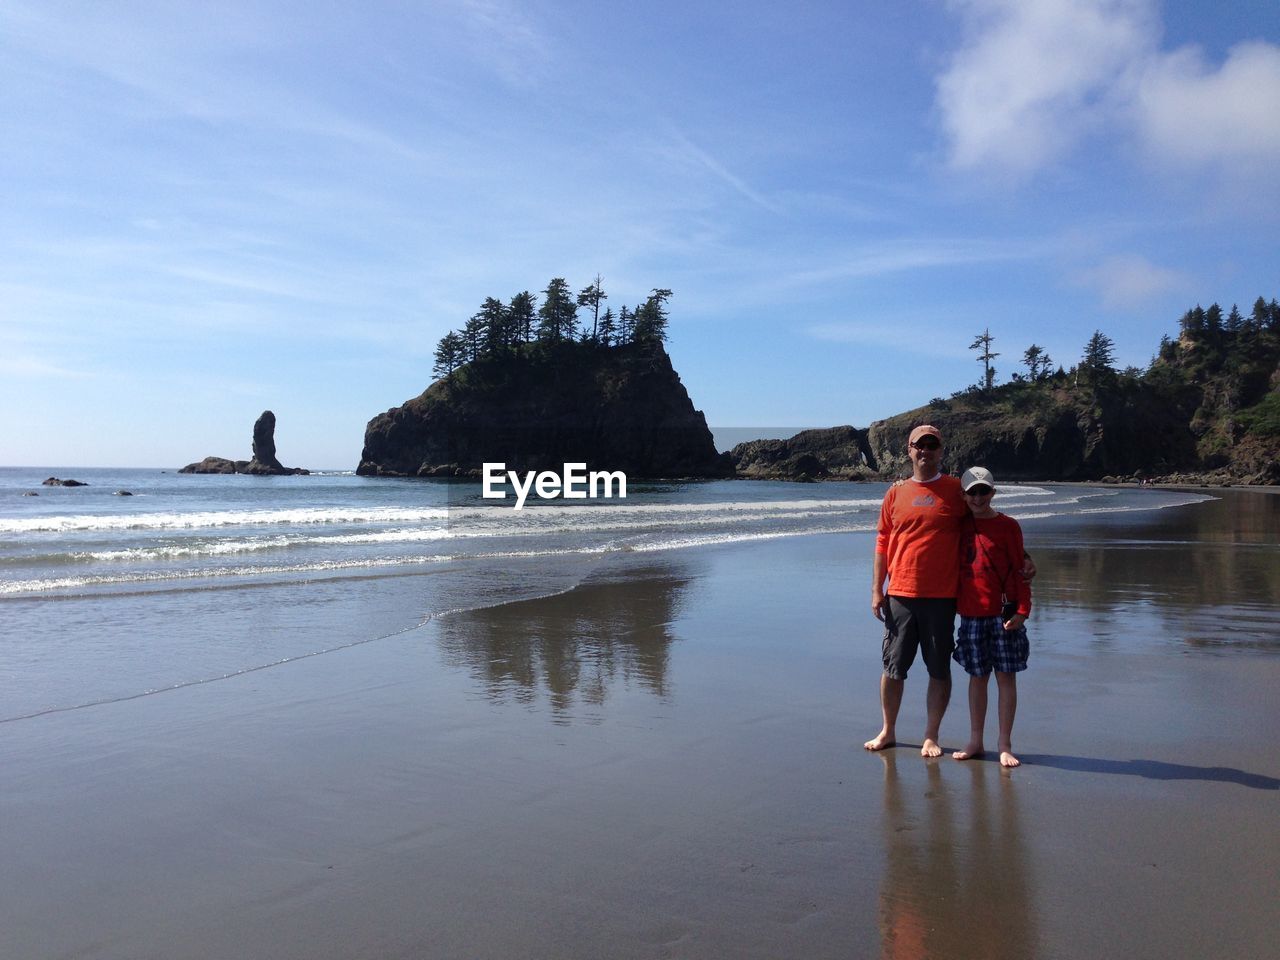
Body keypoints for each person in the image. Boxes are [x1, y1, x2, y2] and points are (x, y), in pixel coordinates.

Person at [865, 424, 966, 758]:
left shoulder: (956, 490)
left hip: (941, 597)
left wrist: (1019, 559)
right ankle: (888, 730)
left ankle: (931, 735)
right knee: (893, 668)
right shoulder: (895, 493)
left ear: (941, 450)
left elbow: (985, 521)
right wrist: (877, 589)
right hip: (901, 595)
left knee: (939, 668)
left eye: (932, 445)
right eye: (919, 446)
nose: (925, 451)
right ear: (908, 450)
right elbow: (882, 542)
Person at [950, 466, 1031, 768]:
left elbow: (1021, 572)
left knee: (1006, 678)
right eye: (972, 492)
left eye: (984, 491)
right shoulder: (957, 525)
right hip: (970, 615)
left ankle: (1004, 744)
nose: (978, 497)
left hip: (1004, 615)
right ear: (964, 495)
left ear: (993, 493)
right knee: (977, 678)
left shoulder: (1009, 526)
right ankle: (975, 739)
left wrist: (1023, 610)